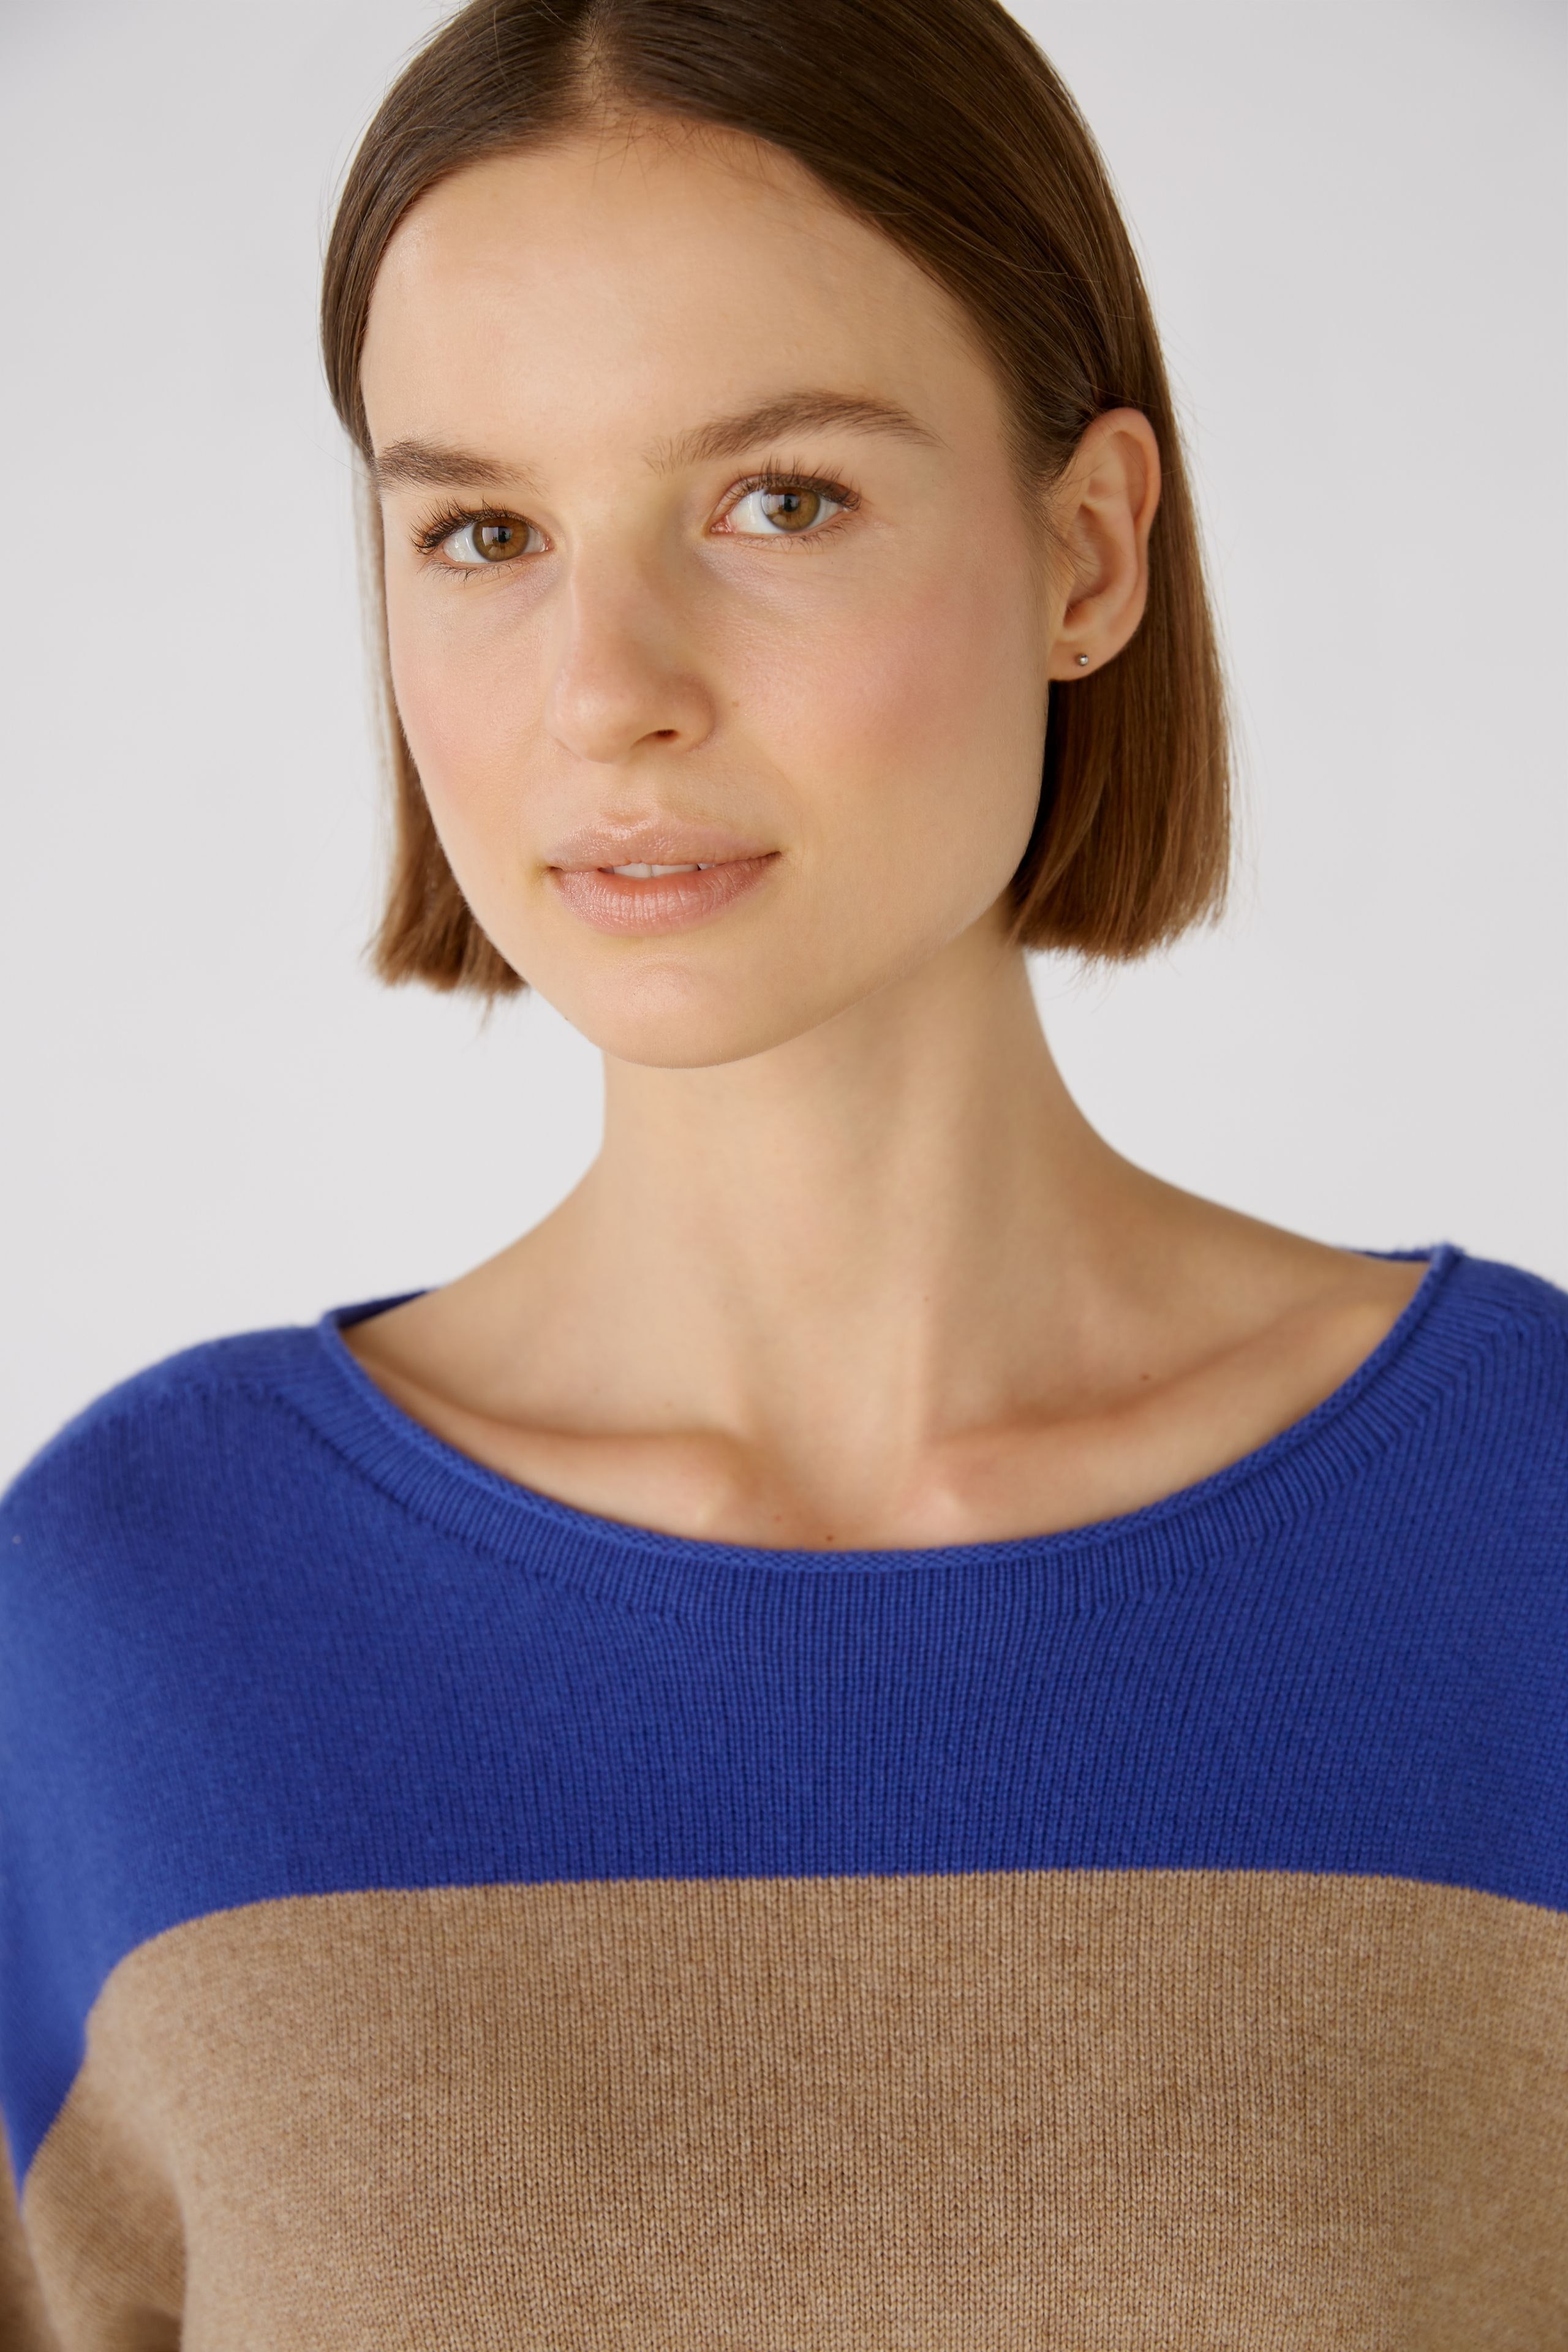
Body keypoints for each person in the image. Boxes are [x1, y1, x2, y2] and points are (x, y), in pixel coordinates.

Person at [2, 0, 1563, 2339]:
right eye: (484, 533)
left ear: (1090, 552)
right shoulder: (129, 1620)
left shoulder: (1529, 1530)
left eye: (782, 501)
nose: (604, 685)